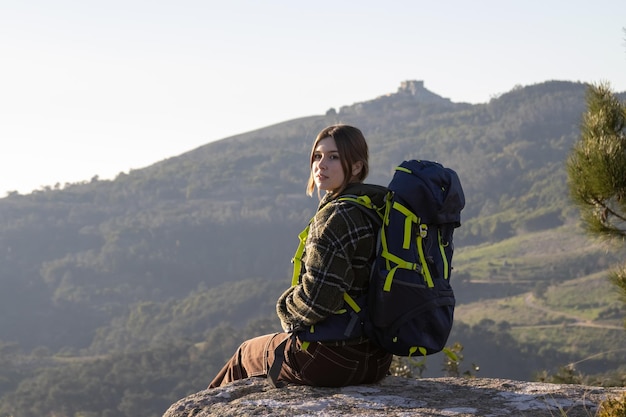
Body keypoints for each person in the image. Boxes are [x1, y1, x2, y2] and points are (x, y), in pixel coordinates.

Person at [208, 125, 393, 388]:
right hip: (377, 359)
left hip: (331, 359)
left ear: (356, 167)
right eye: (317, 156)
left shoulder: (335, 217)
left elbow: (319, 300)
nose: (321, 165)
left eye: (334, 157)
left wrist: (284, 309)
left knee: (245, 353)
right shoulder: (376, 210)